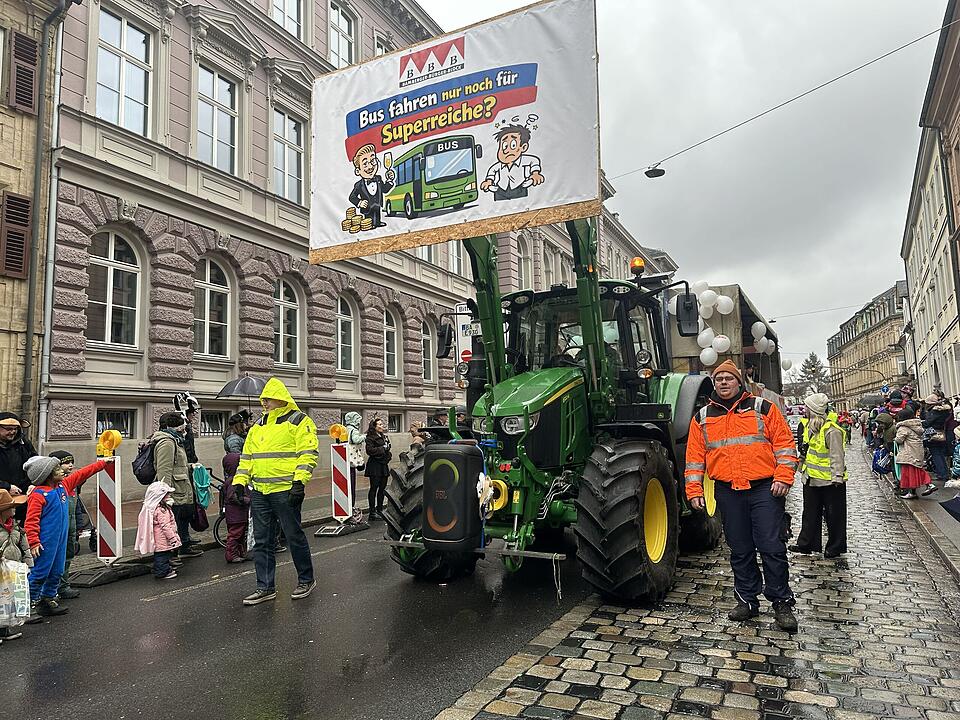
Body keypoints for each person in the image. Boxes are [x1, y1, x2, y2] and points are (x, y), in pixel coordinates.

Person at [684, 360, 799, 632]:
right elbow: (694, 460)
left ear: (739, 382)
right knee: (740, 549)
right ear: (714, 383)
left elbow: (785, 445)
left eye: (728, 378)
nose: (723, 382)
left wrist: (783, 477)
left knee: (771, 546)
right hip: (728, 491)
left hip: (765, 489)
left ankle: (781, 601)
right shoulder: (702, 417)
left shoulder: (763, 408)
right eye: (719, 379)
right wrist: (694, 490)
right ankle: (747, 600)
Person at [231, 378, 317, 606]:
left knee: (293, 536)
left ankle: (306, 580)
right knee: (262, 541)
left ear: (280, 398)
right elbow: (247, 458)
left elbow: (307, 453)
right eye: (263, 400)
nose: (264, 403)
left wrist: (299, 482)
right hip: (260, 491)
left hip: (286, 490)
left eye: (267, 399)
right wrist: (239, 482)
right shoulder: (258, 426)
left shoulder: (299, 421)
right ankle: (265, 587)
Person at [24, 455, 114, 616]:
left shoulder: (63, 486)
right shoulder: (38, 495)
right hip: (45, 542)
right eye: (58, 469)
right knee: (40, 572)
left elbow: (82, 474)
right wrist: (34, 542)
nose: (63, 471)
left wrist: (101, 464)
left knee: (57, 570)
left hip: (60, 540)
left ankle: (48, 599)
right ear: (47, 475)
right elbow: (31, 521)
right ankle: (29, 605)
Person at [789, 394, 847, 558]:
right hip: (811, 478)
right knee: (809, 513)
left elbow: (837, 455)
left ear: (814, 410)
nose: (804, 410)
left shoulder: (832, 430)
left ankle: (835, 547)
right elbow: (806, 452)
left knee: (834, 516)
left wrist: (837, 476)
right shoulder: (810, 428)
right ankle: (807, 544)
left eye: (807, 407)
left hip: (831, 481)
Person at [47, 451, 111, 600]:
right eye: (66, 463)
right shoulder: (50, 487)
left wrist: (78, 526)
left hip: (70, 528)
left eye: (71, 462)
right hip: (54, 532)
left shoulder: (70, 483)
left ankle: (63, 586)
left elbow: (84, 473)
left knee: (67, 557)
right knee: (53, 560)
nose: (70, 465)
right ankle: (49, 591)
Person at [153, 412, 202, 559]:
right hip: (174, 489)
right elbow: (164, 469)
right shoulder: (167, 442)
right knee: (172, 521)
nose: (184, 431)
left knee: (180, 518)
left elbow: (177, 464)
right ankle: (171, 555)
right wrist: (164, 493)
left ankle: (179, 549)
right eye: (182, 428)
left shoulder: (173, 440)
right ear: (174, 427)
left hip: (179, 486)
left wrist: (190, 466)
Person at [0, 489, 31, 643]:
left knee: (9, 600)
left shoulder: (16, 527)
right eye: (10, 507)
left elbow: (24, 547)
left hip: (13, 569)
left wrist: (28, 565)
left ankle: (4, 629)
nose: (14, 509)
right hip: (1, 571)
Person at [134, 482, 180, 579]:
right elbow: (166, 526)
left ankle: (161, 568)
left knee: (161, 554)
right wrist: (172, 538)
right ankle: (162, 572)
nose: (169, 495)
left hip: (158, 537)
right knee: (162, 556)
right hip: (163, 538)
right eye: (167, 494)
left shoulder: (154, 508)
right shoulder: (162, 510)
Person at [222, 411, 251, 563]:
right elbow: (236, 458)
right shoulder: (234, 440)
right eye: (245, 423)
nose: (247, 425)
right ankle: (231, 554)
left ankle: (239, 553)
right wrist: (247, 500)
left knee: (239, 534)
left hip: (238, 514)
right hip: (236, 514)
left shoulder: (239, 437)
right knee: (235, 534)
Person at [895, 406, 936, 499]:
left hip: (908, 452)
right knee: (917, 470)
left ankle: (912, 492)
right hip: (917, 451)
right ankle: (929, 484)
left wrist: (895, 439)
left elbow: (899, 440)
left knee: (909, 473)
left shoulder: (903, 427)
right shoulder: (917, 425)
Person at [0, 413, 37, 496]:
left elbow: (35, 462)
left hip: (24, 493)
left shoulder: (23, 443)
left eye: (15, 429)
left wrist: (33, 483)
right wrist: (7, 487)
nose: (13, 432)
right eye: (8, 429)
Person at [922, 393, 954, 486]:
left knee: (936, 454)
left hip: (934, 435)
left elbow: (927, 423)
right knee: (941, 454)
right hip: (942, 433)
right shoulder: (945, 410)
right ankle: (945, 473)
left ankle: (942, 474)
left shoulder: (934, 412)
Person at [365, 418, 392, 521]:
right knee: (374, 488)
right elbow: (369, 450)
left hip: (383, 465)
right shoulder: (370, 438)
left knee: (382, 488)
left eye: (382, 424)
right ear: (374, 427)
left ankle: (380, 510)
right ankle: (372, 512)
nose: (382, 426)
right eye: (379, 424)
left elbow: (388, 448)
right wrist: (382, 449)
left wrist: (388, 455)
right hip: (374, 466)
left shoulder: (384, 436)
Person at [343, 412, 366, 524]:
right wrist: (365, 437)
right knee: (351, 486)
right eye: (357, 419)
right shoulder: (353, 430)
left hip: (344, 460)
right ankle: (350, 510)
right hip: (351, 460)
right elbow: (356, 439)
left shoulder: (345, 429)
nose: (358, 422)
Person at [174, 392, 201, 465]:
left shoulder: (187, 426)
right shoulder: (181, 427)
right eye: (192, 412)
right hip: (184, 463)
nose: (194, 415)